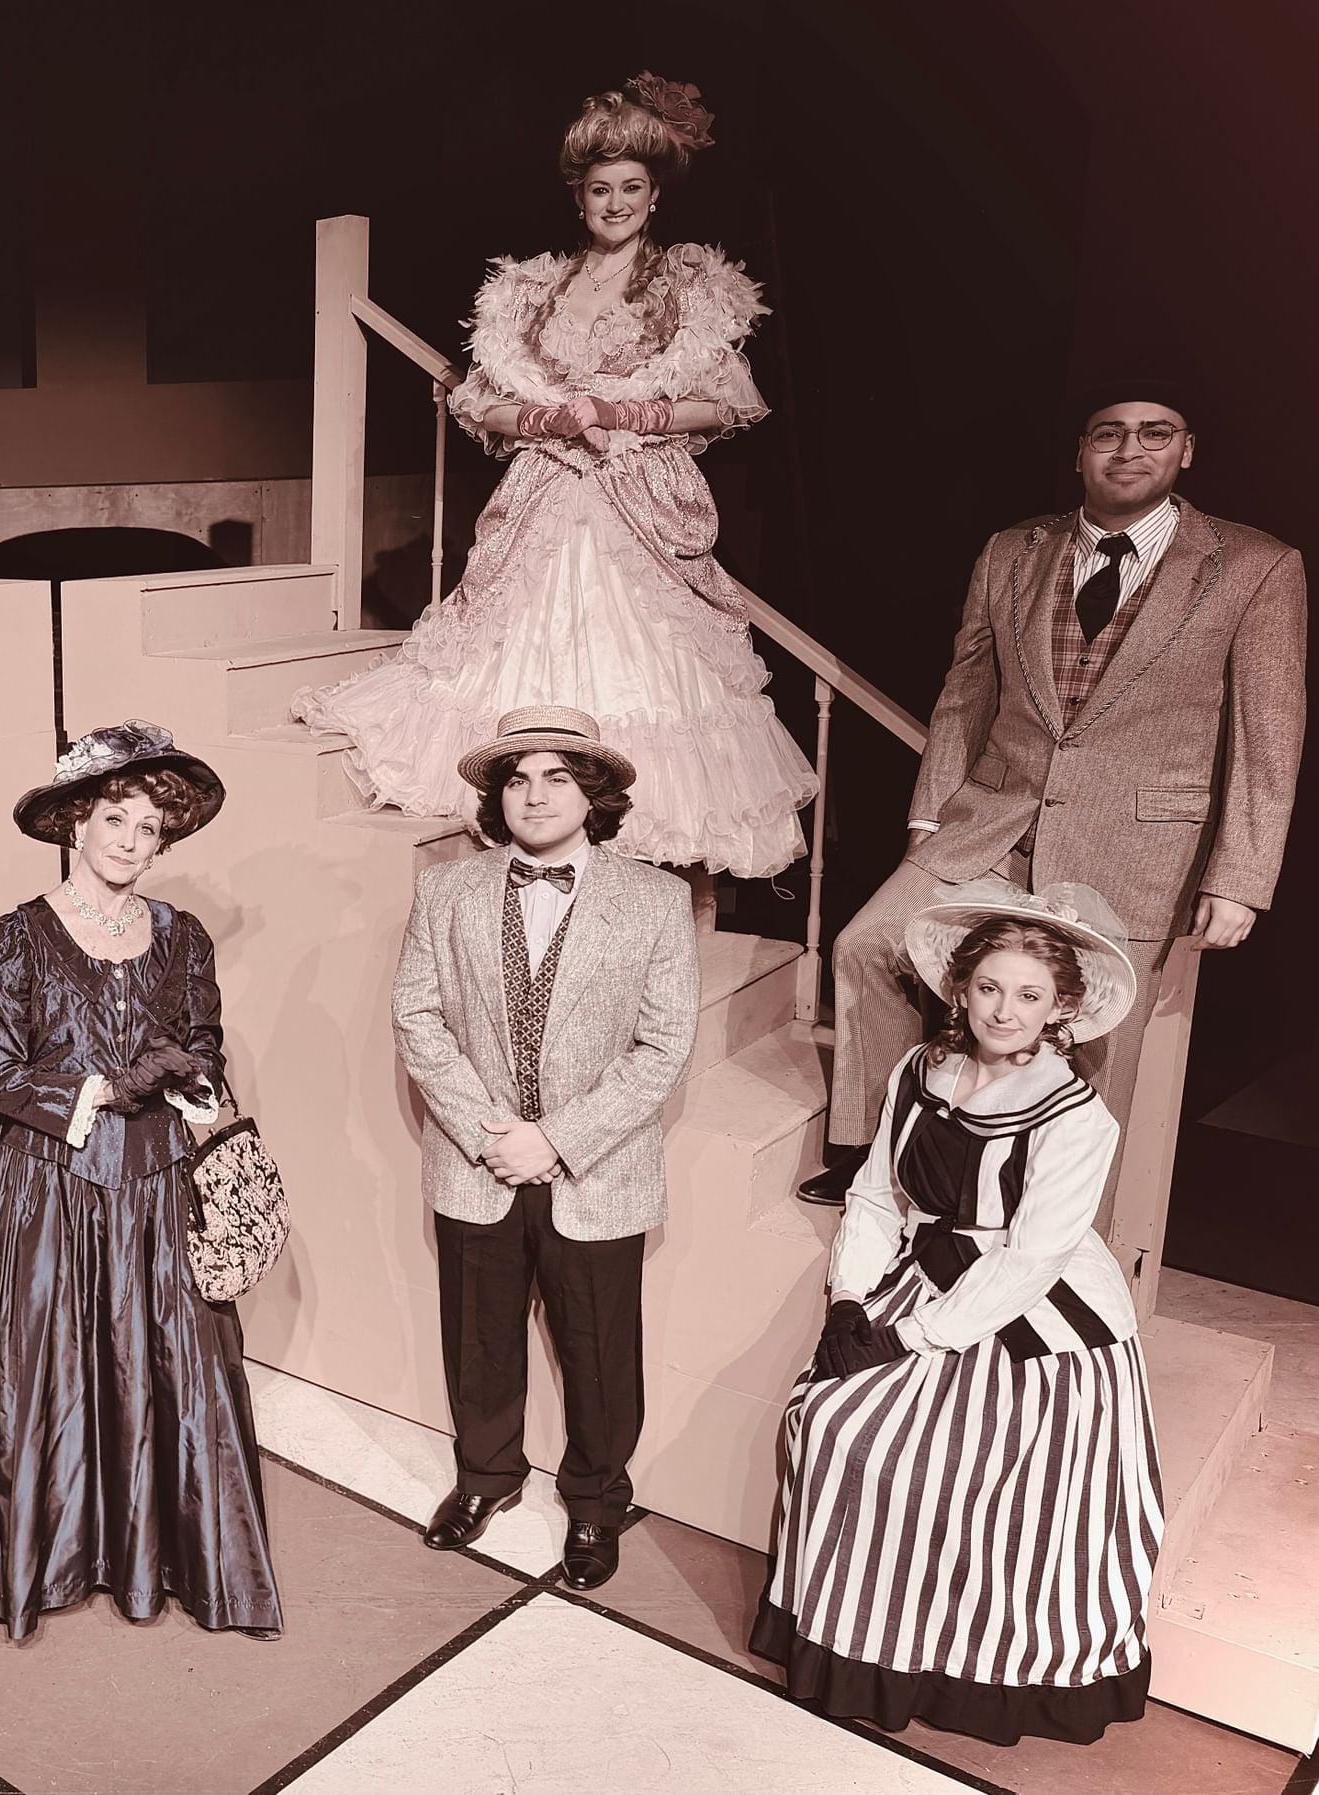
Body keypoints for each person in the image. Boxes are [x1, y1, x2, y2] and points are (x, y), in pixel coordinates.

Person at [297, 72, 817, 878]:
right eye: (601, 189)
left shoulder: (688, 288)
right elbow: (483, 403)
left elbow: (725, 403)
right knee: (518, 652)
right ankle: (535, 856)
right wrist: (545, 418)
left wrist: (628, 415)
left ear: (655, 196)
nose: (616, 204)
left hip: (640, 500)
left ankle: (632, 876)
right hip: (544, 494)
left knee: (644, 674)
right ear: (580, 197)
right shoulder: (532, 289)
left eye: (632, 189)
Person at [800, 383, 1306, 1204]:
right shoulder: (1012, 550)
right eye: (1108, 433)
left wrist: (1240, 875)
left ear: (1187, 450)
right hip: (991, 824)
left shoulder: (1255, 566)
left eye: (1154, 432)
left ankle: (1062, 1234)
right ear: (1079, 452)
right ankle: (874, 1153)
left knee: (1097, 1040)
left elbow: (1271, 729)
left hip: (1135, 846)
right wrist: (929, 816)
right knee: (870, 945)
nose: (1129, 448)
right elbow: (965, 691)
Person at [756, 882, 1161, 1746]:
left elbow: (1031, 1258)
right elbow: (873, 1197)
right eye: (989, 987)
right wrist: (851, 1301)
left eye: (1027, 995)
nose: (1002, 1009)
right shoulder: (918, 1070)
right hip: (922, 1277)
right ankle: (850, 1647)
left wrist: (912, 1334)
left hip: (1028, 1319)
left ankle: (966, 1672)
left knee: (947, 1470)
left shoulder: (1077, 1114)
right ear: (960, 987)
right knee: (823, 1423)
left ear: (1060, 1010)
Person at [0, 720, 283, 1639]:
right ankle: (52, 1559)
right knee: (49, 1368)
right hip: (50, 1187)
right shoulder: (12, 940)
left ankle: (162, 1560)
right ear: (75, 823)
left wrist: (193, 1073)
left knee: (169, 1363)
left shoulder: (184, 936)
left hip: (159, 1182)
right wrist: (102, 1086)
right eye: (115, 819)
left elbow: (206, 1037)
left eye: (148, 827)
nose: (133, 841)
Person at [394, 706, 700, 1589]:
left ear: (592, 794)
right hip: (476, 1160)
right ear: (497, 796)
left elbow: (664, 1045)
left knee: (601, 1350)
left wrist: (557, 1141)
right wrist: (492, 1136)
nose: (535, 794)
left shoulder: (655, 899)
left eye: (557, 776)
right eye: (517, 778)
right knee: (479, 1339)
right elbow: (417, 1019)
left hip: (597, 1170)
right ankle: (486, 1478)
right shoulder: (444, 891)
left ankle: (598, 1502)